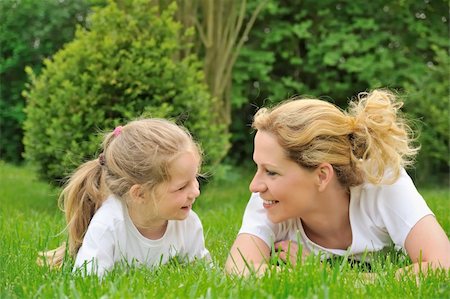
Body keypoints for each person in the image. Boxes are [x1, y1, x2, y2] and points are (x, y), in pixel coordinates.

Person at [225, 89, 450, 276]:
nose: (255, 186)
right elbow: (238, 269)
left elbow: (442, 266)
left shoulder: (383, 180)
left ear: (322, 175)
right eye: (259, 168)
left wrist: (321, 272)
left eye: (271, 172)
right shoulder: (269, 199)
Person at [40, 118, 210, 276]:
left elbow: (204, 273)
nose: (196, 191)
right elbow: (87, 284)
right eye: (181, 187)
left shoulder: (188, 223)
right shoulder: (108, 226)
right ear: (140, 193)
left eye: (195, 179)